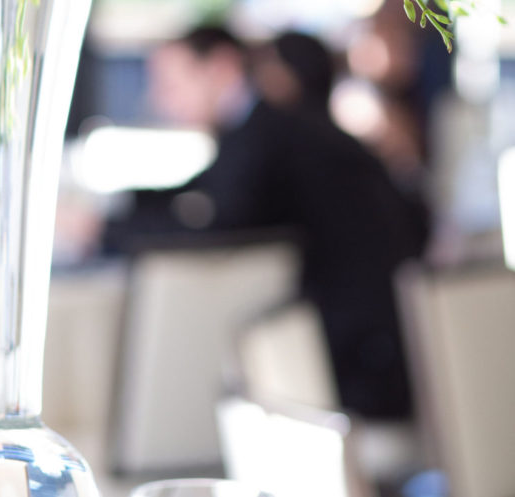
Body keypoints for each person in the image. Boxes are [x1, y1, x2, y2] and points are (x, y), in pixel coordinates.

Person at [103, 24, 429, 421]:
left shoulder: (268, 131)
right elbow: (200, 189)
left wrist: (104, 232)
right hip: (383, 335)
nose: (158, 98)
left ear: (221, 67)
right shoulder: (262, 126)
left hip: (361, 361)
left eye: (171, 83)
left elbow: (217, 230)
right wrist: (119, 206)